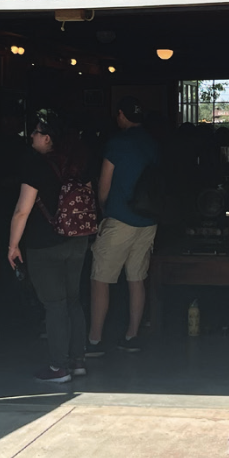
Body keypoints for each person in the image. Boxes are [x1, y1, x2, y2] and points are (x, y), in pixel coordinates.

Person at [7, 114, 92, 384]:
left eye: (36, 132)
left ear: (47, 138)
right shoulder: (79, 163)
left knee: (54, 305)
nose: (31, 135)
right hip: (77, 239)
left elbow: (22, 211)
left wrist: (12, 245)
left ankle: (58, 366)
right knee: (73, 300)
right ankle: (78, 360)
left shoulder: (36, 166)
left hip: (45, 244)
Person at [87, 96, 160, 355]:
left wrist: (104, 209)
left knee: (101, 278)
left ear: (121, 115)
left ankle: (94, 339)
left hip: (120, 217)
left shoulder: (117, 143)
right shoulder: (151, 143)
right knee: (137, 278)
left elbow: (104, 184)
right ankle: (132, 335)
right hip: (148, 219)